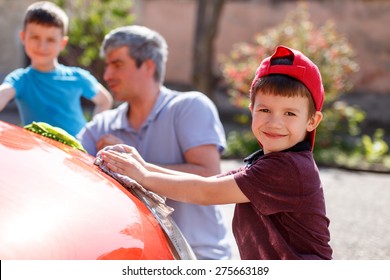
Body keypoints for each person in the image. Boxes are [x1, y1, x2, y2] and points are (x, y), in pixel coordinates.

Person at [100, 45, 333, 260]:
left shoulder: (287, 169)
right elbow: (206, 181)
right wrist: (144, 166)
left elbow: (205, 193)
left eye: (290, 114)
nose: (275, 122)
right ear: (252, 110)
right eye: (265, 110)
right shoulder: (271, 162)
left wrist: (142, 176)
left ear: (312, 121)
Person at [76, 25, 232, 260]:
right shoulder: (102, 126)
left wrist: (133, 167)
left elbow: (208, 176)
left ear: (148, 65)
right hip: (135, 260)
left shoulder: (189, 107)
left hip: (198, 260)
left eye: (117, 64)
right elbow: (71, 166)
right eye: (107, 65)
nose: (107, 75)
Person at [0, 1, 113, 137]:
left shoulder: (77, 77)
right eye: (35, 37)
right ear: (23, 38)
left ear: (62, 43)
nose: (42, 46)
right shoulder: (19, 79)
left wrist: (92, 133)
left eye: (51, 40)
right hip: (39, 153)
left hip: (77, 152)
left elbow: (105, 101)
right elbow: (4, 93)